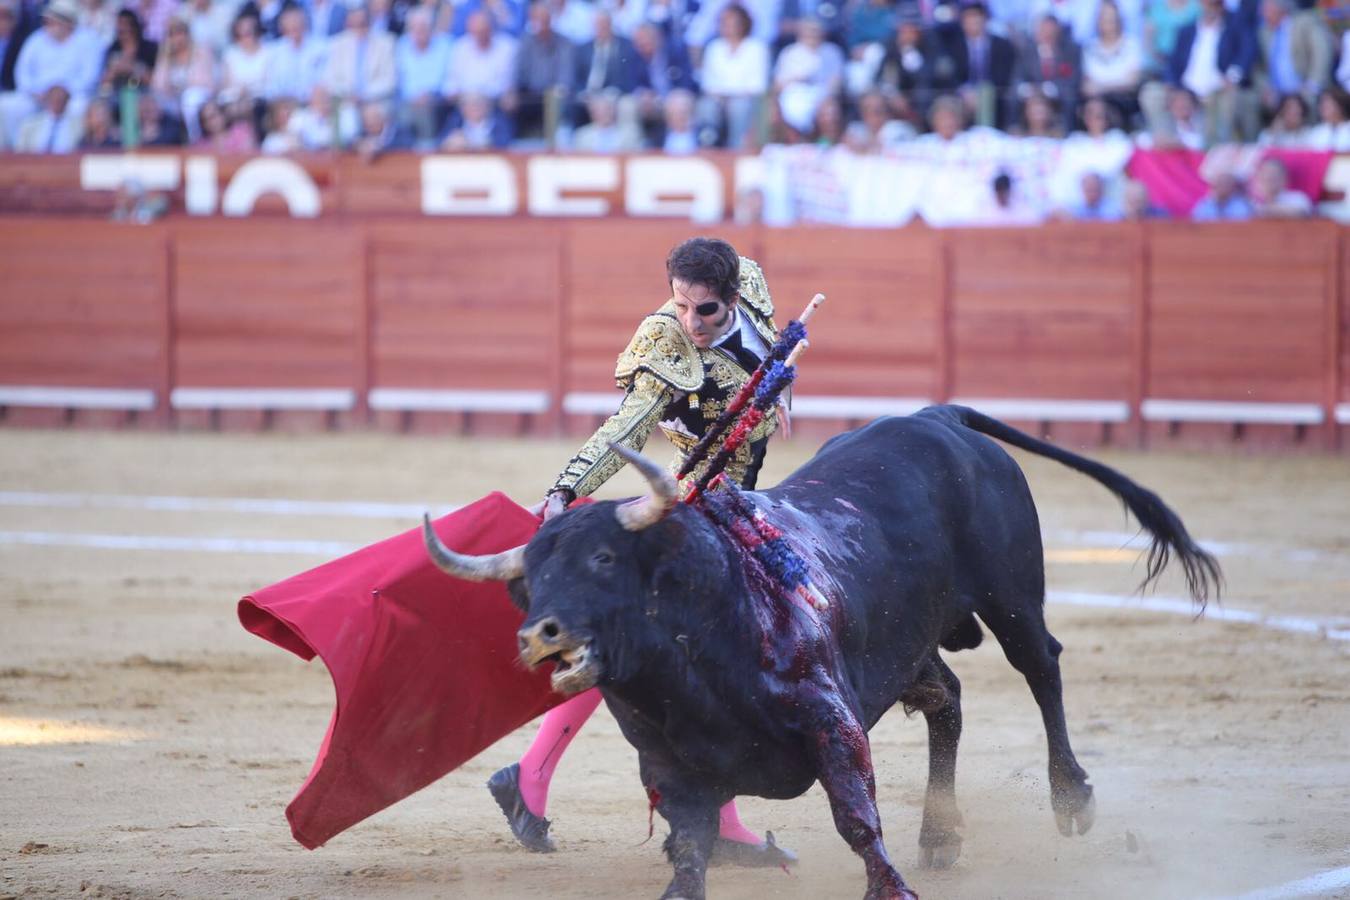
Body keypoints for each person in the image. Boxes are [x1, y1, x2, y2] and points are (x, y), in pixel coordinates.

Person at [487, 237, 797, 868]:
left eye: (704, 310)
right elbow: (623, 428)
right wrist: (565, 489)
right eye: (679, 305)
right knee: (665, 652)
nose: (690, 322)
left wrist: (779, 395)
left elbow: (768, 350)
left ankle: (533, 779)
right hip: (693, 509)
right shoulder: (665, 347)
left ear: (734, 297)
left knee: (694, 654)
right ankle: (539, 778)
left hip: (742, 501)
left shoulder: (753, 286)